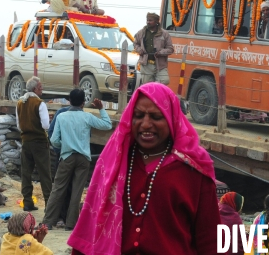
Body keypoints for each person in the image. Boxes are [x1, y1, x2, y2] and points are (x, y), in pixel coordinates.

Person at [68, 82, 220, 255]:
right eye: (139, 115)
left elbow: (210, 239)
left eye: (156, 117)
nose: (146, 124)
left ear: (171, 119)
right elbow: (90, 224)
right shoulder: (112, 162)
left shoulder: (194, 169)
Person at [43, 89, 112, 231]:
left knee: (57, 189)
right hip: (83, 159)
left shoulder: (62, 117)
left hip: (67, 156)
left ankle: (48, 222)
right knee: (77, 191)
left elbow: (54, 140)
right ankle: (71, 224)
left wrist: (63, 147)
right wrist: (101, 109)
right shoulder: (87, 117)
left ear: (69, 100)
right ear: (83, 102)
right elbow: (107, 125)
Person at [15, 76, 51, 211]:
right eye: (40, 87)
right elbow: (46, 125)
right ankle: (49, 203)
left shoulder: (20, 102)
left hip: (26, 142)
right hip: (40, 142)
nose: (42, 90)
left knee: (26, 173)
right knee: (45, 174)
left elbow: (19, 125)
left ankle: (27, 202)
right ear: (35, 89)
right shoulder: (39, 103)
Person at [133, 13, 174, 85]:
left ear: (156, 22)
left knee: (164, 80)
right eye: (147, 20)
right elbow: (135, 43)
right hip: (146, 64)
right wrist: (139, 50)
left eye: (150, 20)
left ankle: (155, 88)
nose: (148, 22)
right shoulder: (142, 32)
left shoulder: (164, 34)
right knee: (147, 85)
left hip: (160, 65)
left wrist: (161, 52)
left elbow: (170, 49)